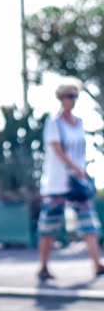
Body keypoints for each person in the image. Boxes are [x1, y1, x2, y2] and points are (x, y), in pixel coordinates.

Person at [36, 78, 101, 281]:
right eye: (69, 96)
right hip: (58, 182)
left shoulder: (79, 123)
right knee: (49, 226)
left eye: (75, 96)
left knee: (89, 222)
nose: (73, 100)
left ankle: (97, 263)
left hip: (78, 182)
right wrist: (75, 168)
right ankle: (43, 266)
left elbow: (80, 151)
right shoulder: (54, 123)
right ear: (61, 98)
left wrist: (83, 170)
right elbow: (58, 150)